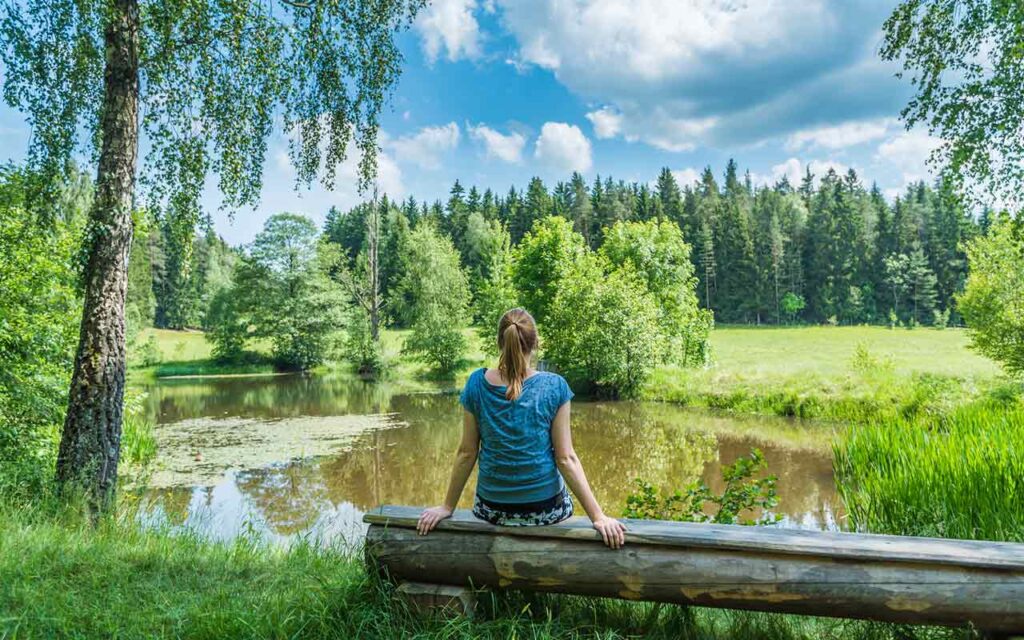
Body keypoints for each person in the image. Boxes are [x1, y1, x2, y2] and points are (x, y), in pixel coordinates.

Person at [416, 308, 627, 549]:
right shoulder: (555, 386)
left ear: (500, 342)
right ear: (535, 343)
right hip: (545, 511)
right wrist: (599, 517)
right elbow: (566, 458)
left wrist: (446, 507)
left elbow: (467, 452)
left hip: (492, 510)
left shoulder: (476, 383)